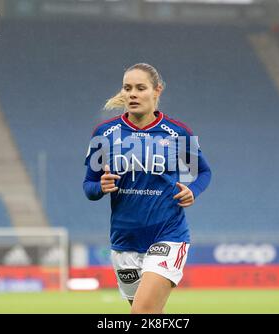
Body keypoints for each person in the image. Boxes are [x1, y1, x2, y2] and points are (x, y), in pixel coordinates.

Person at [83, 63, 211, 314]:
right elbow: (89, 186)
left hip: (167, 235)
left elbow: (204, 172)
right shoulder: (104, 134)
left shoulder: (177, 132)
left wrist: (192, 190)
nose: (132, 94)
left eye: (140, 88)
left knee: (141, 314)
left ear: (157, 91)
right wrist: (101, 186)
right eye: (127, 88)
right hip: (124, 242)